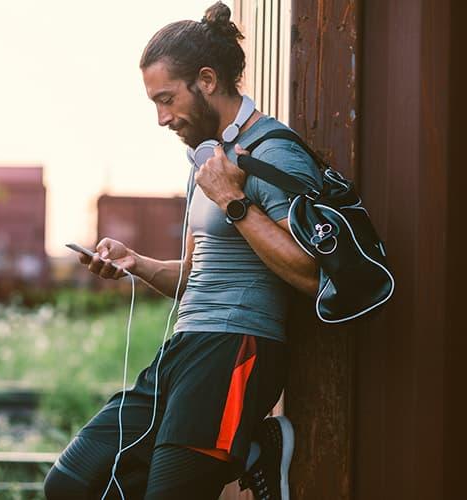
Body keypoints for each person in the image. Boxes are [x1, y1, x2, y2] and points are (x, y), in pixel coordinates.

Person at [43, 3, 322, 500]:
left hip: (237, 348)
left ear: (207, 81)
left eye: (167, 99)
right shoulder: (206, 160)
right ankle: (250, 450)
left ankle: (253, 447)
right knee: (71, 484)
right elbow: (195, 274)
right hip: (185, 346)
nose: (161, 118)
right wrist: (136, 264)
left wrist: (233, 201)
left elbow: (311, 274)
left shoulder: (272, 152)